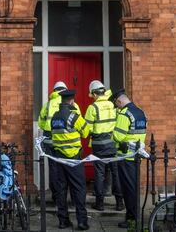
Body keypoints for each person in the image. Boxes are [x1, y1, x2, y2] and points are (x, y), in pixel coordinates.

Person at [51, 89, 91, 230]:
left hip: (58, 159)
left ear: (62, 101)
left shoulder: (54, 117)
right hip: (73, 159)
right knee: (79, 189)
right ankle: (82, 221)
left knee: (61, 190)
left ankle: (63, 221)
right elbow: (86, 132)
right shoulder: (74, 116)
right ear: (72, 101)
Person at [38, 81, 80, 204]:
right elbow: (79, 122)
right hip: (69, 142)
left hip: (50, 140)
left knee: (54, 168)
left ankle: (56, 196)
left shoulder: (47, 105)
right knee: (71, 168)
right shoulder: (74, 105)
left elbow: (41, 123)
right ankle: (72, 198)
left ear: (54, 91)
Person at [111, 89, 148, 230]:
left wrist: (114, 134)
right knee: (134, 188)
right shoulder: (141, 113)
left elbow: (118, 136)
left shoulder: (124, 114)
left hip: (125, 157)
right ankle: (133, 216)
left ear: (119, 101)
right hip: (137, 156)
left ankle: (131, 218)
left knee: (128, 190)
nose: (117, 107)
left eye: (117, 104)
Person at [83, 80, 123, 211]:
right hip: (113, 143)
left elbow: (87, 129)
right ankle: (119, 203)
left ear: (95, 94)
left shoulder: (92, 108)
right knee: (115, 173)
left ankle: (99, 204)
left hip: (99, 145)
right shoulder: (113, 105)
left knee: (99, 173)